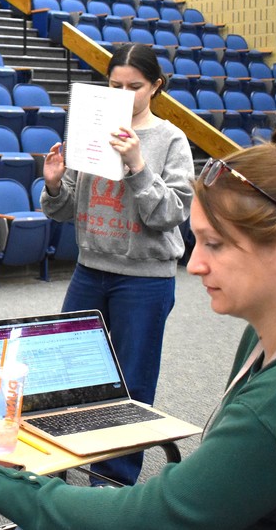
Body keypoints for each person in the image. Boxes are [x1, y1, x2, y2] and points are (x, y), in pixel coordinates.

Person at [0, 113, 276, 528]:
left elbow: (154, 517)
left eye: (215, 245)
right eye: (196, 241)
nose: (195, 263)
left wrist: (3, 486)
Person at [38, 42, 194, 485]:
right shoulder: (90, 127)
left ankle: (112, 485)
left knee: (131, 385)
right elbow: (65, 209)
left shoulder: (170, 139)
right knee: (64, 376)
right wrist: (52, 185)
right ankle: (56, 473)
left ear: (156, 86)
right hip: (90, 270)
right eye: (115, 85)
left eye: (135, 87)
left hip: (144, 279)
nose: (123, 94)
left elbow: (170, 215)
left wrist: (137, 164)